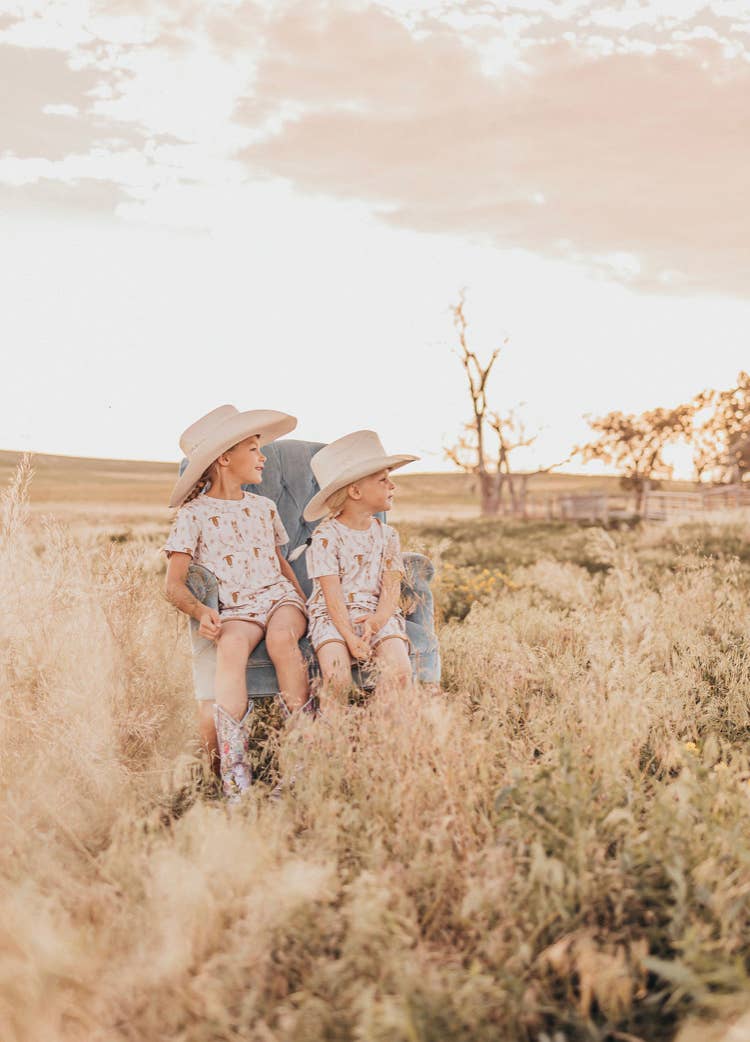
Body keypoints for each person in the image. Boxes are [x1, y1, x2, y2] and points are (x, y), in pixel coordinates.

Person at [163, 405, 309, 802]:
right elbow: (173, 584)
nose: (263, 457)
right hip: (238, 609)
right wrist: (200, 611)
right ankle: (235, 775)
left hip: (279, 600)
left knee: (282, 641)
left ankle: (299, 763)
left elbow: (280, 565)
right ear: (225, 458)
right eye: (254, 449)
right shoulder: (193, 515)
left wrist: (302, 601)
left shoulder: (264, 507)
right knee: (229, 646)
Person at [299, 430, 418, 709]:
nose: (392, 486)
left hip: (375, 611)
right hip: (332, 616)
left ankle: (379, 732)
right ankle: (332, 737)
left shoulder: (388, 536)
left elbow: (391, 587)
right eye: (383, 480)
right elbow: (331, 595)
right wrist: (350, 637)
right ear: (355, 491)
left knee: (400, 672)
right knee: (337, 678)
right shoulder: (326, 536)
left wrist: (376, 622)